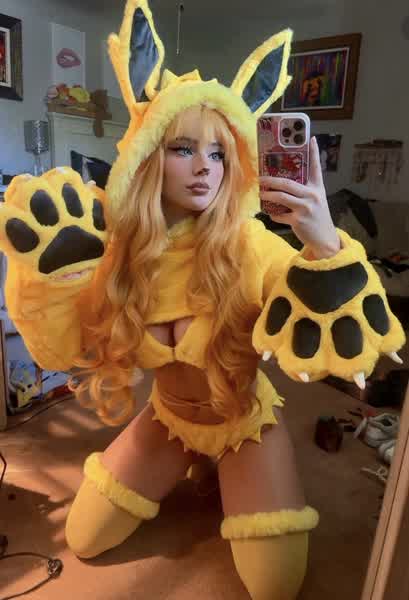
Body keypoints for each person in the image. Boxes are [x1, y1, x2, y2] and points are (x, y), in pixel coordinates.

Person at [0, 2, 405, 598]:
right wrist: (47, 278)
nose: (205, 170)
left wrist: (324, 245)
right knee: (82, 539)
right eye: (183, 148)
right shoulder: (121, 250)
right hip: (168, 418)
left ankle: (234, 470)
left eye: (218, 154)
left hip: (244, 422)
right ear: (147, 154)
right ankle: (195, 466)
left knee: (273, 586)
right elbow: (64, 348)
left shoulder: (251, 244)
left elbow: (337, 348)